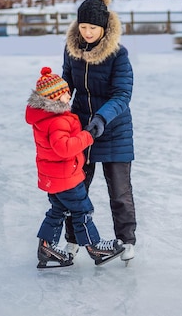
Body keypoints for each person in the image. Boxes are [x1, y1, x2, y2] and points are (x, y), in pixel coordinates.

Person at [62, 0, 137, 264]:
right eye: (83, 27)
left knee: (119, 191)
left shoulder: (118, 54)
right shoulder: (73, 50)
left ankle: (127, 241)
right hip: (81, 131)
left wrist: (102, 119)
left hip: (114, 129)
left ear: (104, 27)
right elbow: (66, 84)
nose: (88, 33)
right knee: (75, 189)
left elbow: (122, 94)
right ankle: (73, 240)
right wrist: (52, 102)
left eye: (93, 27)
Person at [25, 66, 125, 268]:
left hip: (53, 177)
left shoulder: (44, 118)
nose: (68, 94)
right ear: (53, 99)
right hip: (66, 178)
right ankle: (95, 247)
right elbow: (63, 148)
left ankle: (46, 247)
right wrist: (88, 136)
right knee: (83, 210)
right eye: (64, 93)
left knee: (57, 211)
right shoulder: (57, 121)